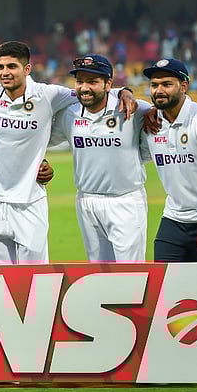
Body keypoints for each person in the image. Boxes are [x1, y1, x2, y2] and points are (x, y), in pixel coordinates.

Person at [0, 41, 135, 264]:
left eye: (12, 66)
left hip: (29, 202)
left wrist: (124, 92)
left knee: (33, 279)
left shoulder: (49, 95)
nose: (5, 73)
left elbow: (87, 92)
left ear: (27, 69)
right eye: (1, 67)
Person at [50, 55, 152, 262]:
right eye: (80, 81)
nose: (85, 88)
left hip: (126, 201)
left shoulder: (134, 109)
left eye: (93, 82)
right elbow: (38, 140)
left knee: (131, 273)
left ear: (108, 84)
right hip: (87, 201)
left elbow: (161, 116)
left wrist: (134, 99)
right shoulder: (68, 114)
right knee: (98, 271)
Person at [142, 58, 197, 262]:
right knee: (166, 286)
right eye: (154, 85)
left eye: (167, 84)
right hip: (173, 219)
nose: (159, 90)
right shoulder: (152, 122)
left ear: (184, 86)